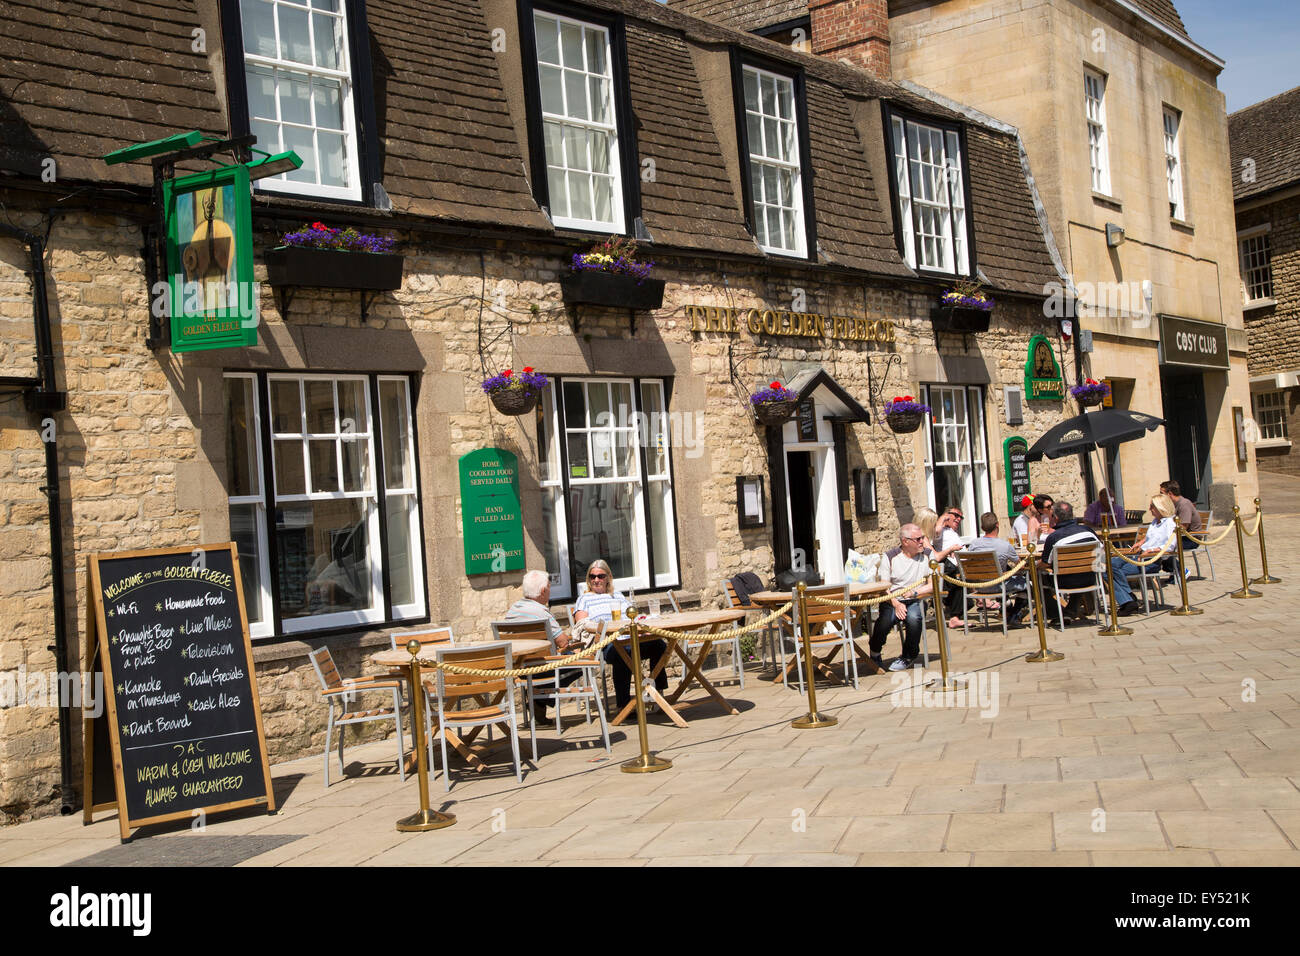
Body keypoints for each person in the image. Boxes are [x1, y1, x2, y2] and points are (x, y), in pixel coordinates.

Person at [574, 559, 667, 712]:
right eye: (592, 577)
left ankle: (657, 693)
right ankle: (623, 705)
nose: (596, 580)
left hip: (628, 638)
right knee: (622, 652)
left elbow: (631, 617)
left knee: (659, 644)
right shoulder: (584, 599)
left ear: (608, 577)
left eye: (600, 576)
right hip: (606, 644)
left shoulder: (617, 596)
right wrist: (605, 629)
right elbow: (582, 625)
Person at [504, 570, 580, 722]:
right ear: (543, 590)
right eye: (549, 588)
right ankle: (541, 698)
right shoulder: (542, 612)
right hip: (543, 667)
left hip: (521, 668)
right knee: (580, 661)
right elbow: (562, 642)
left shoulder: (512, 611)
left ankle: (538, 700)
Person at [869, 523, 935, 672]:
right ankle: (874, 652)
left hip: (917, 598)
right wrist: (896, 603)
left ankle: (908, 656)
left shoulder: (928, 555)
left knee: (914, 618)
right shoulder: (889, 557)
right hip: (893, 599)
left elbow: (934, 585)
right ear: (905, 541)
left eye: (922, 538)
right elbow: (884, 586)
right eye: (917, 539)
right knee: (884, 621)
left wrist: (916, 593)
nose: (922, 542)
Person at [1106, 495, 1177, 615]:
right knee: (1107, 565)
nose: (1150, 509)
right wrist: (1141, 541)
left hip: (1150, 560)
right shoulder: (1155, 522)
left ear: (1161, 508)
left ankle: (1127, 601)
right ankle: (1129, 598)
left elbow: (1170, 545)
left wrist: (1152, 550)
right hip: (1138, 555)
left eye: (1152, 506)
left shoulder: (1169, 523)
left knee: (1109, 570)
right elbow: (1152, 537)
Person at [1037, 500, 1101, 620]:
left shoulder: (1054, 537)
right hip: (1090, 578)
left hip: (1064, 581)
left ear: (1055, 517)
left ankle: (1055, 612)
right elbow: (1100, 552)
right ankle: (1070, 610)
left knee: (1037, 575)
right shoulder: (1088, 531)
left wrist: (1035, 565)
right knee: (1078, 570)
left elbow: (1045, 563)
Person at [965, 512, 1029, 624]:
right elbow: (1020, 566)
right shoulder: (1005, 545)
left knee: (1005, 574)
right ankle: (1014, 614)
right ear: (997, 524)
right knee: (1026, 583)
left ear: (982, 528)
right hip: (999, 585)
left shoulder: (974, 545)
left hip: (980, 587)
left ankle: (1007, 609)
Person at [1160, 480, 1201, 579]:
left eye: (1162, 493)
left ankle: (1181, 571)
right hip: (1179, 537)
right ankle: (1175, 571)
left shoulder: (1184, 504)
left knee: (1165, 547)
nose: (1160, 496)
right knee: (1157, 545)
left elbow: (1183, 527)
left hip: (1190, 539)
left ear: (1169, 494)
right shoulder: (1171, 505)